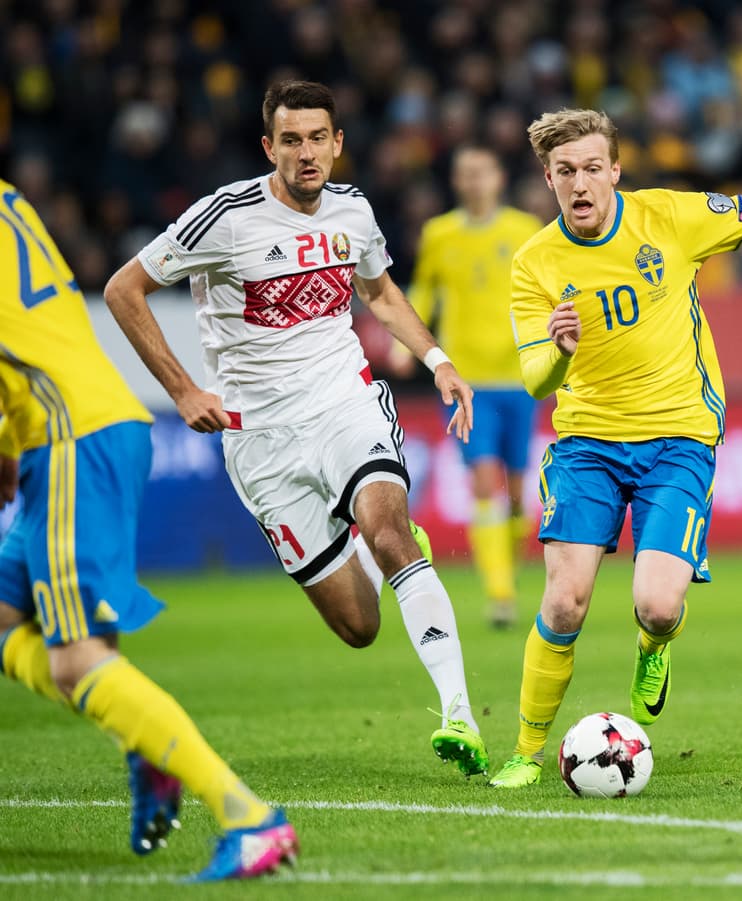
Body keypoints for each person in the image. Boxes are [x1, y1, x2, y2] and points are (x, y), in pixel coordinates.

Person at [102, 80, 489, 778]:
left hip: (346, 400)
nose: (306, 153)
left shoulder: (353, 210)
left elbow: (379, 291)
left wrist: (437, 360)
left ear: (338, 144)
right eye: (291, 140)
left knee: (393, 530)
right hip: (261, 441)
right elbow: (122, 289)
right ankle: (373, 549)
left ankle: (458, 712)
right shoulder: (223, 216)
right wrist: (183, 387)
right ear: (268, 147)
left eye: (318, 138)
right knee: (359, 626)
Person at [488, 108, 742, 788]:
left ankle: (653, 643)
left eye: (593, 168)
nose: (581, 184)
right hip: (587, 442)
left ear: (616, 170)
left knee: (657, 604)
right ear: (548, 177)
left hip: (679, 436)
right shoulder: (535, 261)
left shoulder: (670, 217)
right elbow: (535, 378)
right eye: (566, 171)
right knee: (565, 598)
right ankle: (525, 750)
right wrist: (561, 351)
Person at [0, 177, 298, 881]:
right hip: (80, 424)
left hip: (74, 435)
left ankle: (249, 817)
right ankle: (144, 740)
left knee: (77, 659)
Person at [394, 145, 543, 629]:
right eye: (464, 174)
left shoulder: (524, 230)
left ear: (498, 178)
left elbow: (547, 287)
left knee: (519, 491)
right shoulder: (440, 234)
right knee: (483, 480)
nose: (473, 181)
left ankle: (509, 565)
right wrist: (407, 342)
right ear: (457, 182)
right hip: (466, 381)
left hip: (519, 376)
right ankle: (499, 594)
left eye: (481, 172)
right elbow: (424, 289)